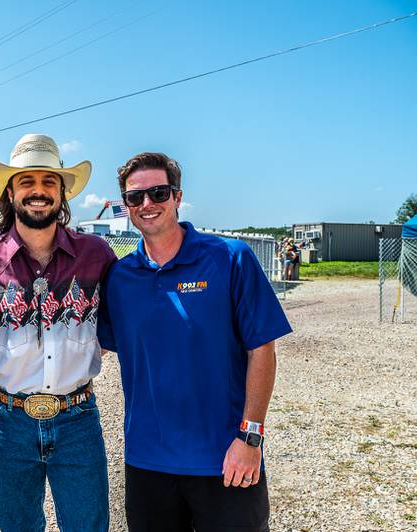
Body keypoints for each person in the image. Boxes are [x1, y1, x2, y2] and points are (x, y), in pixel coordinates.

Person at [98, 152, 292, 532]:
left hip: (226, 458)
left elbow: (262, 349)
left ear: (177, 196)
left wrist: (250, 437)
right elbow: (90, 347)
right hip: (147, 462)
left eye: (158, 193)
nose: (148, 204)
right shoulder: (120, 278)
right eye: (136, 198)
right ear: (126, 206)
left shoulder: (229, 258)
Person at [0, 134, 116, 531]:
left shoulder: (97, 256)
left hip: (77, 417)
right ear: (10, 193)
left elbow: (126, 323)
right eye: (27, 182)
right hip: (7, 420)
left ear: (62, 194)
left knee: (88, 526)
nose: (38, 191)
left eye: (48, 182)